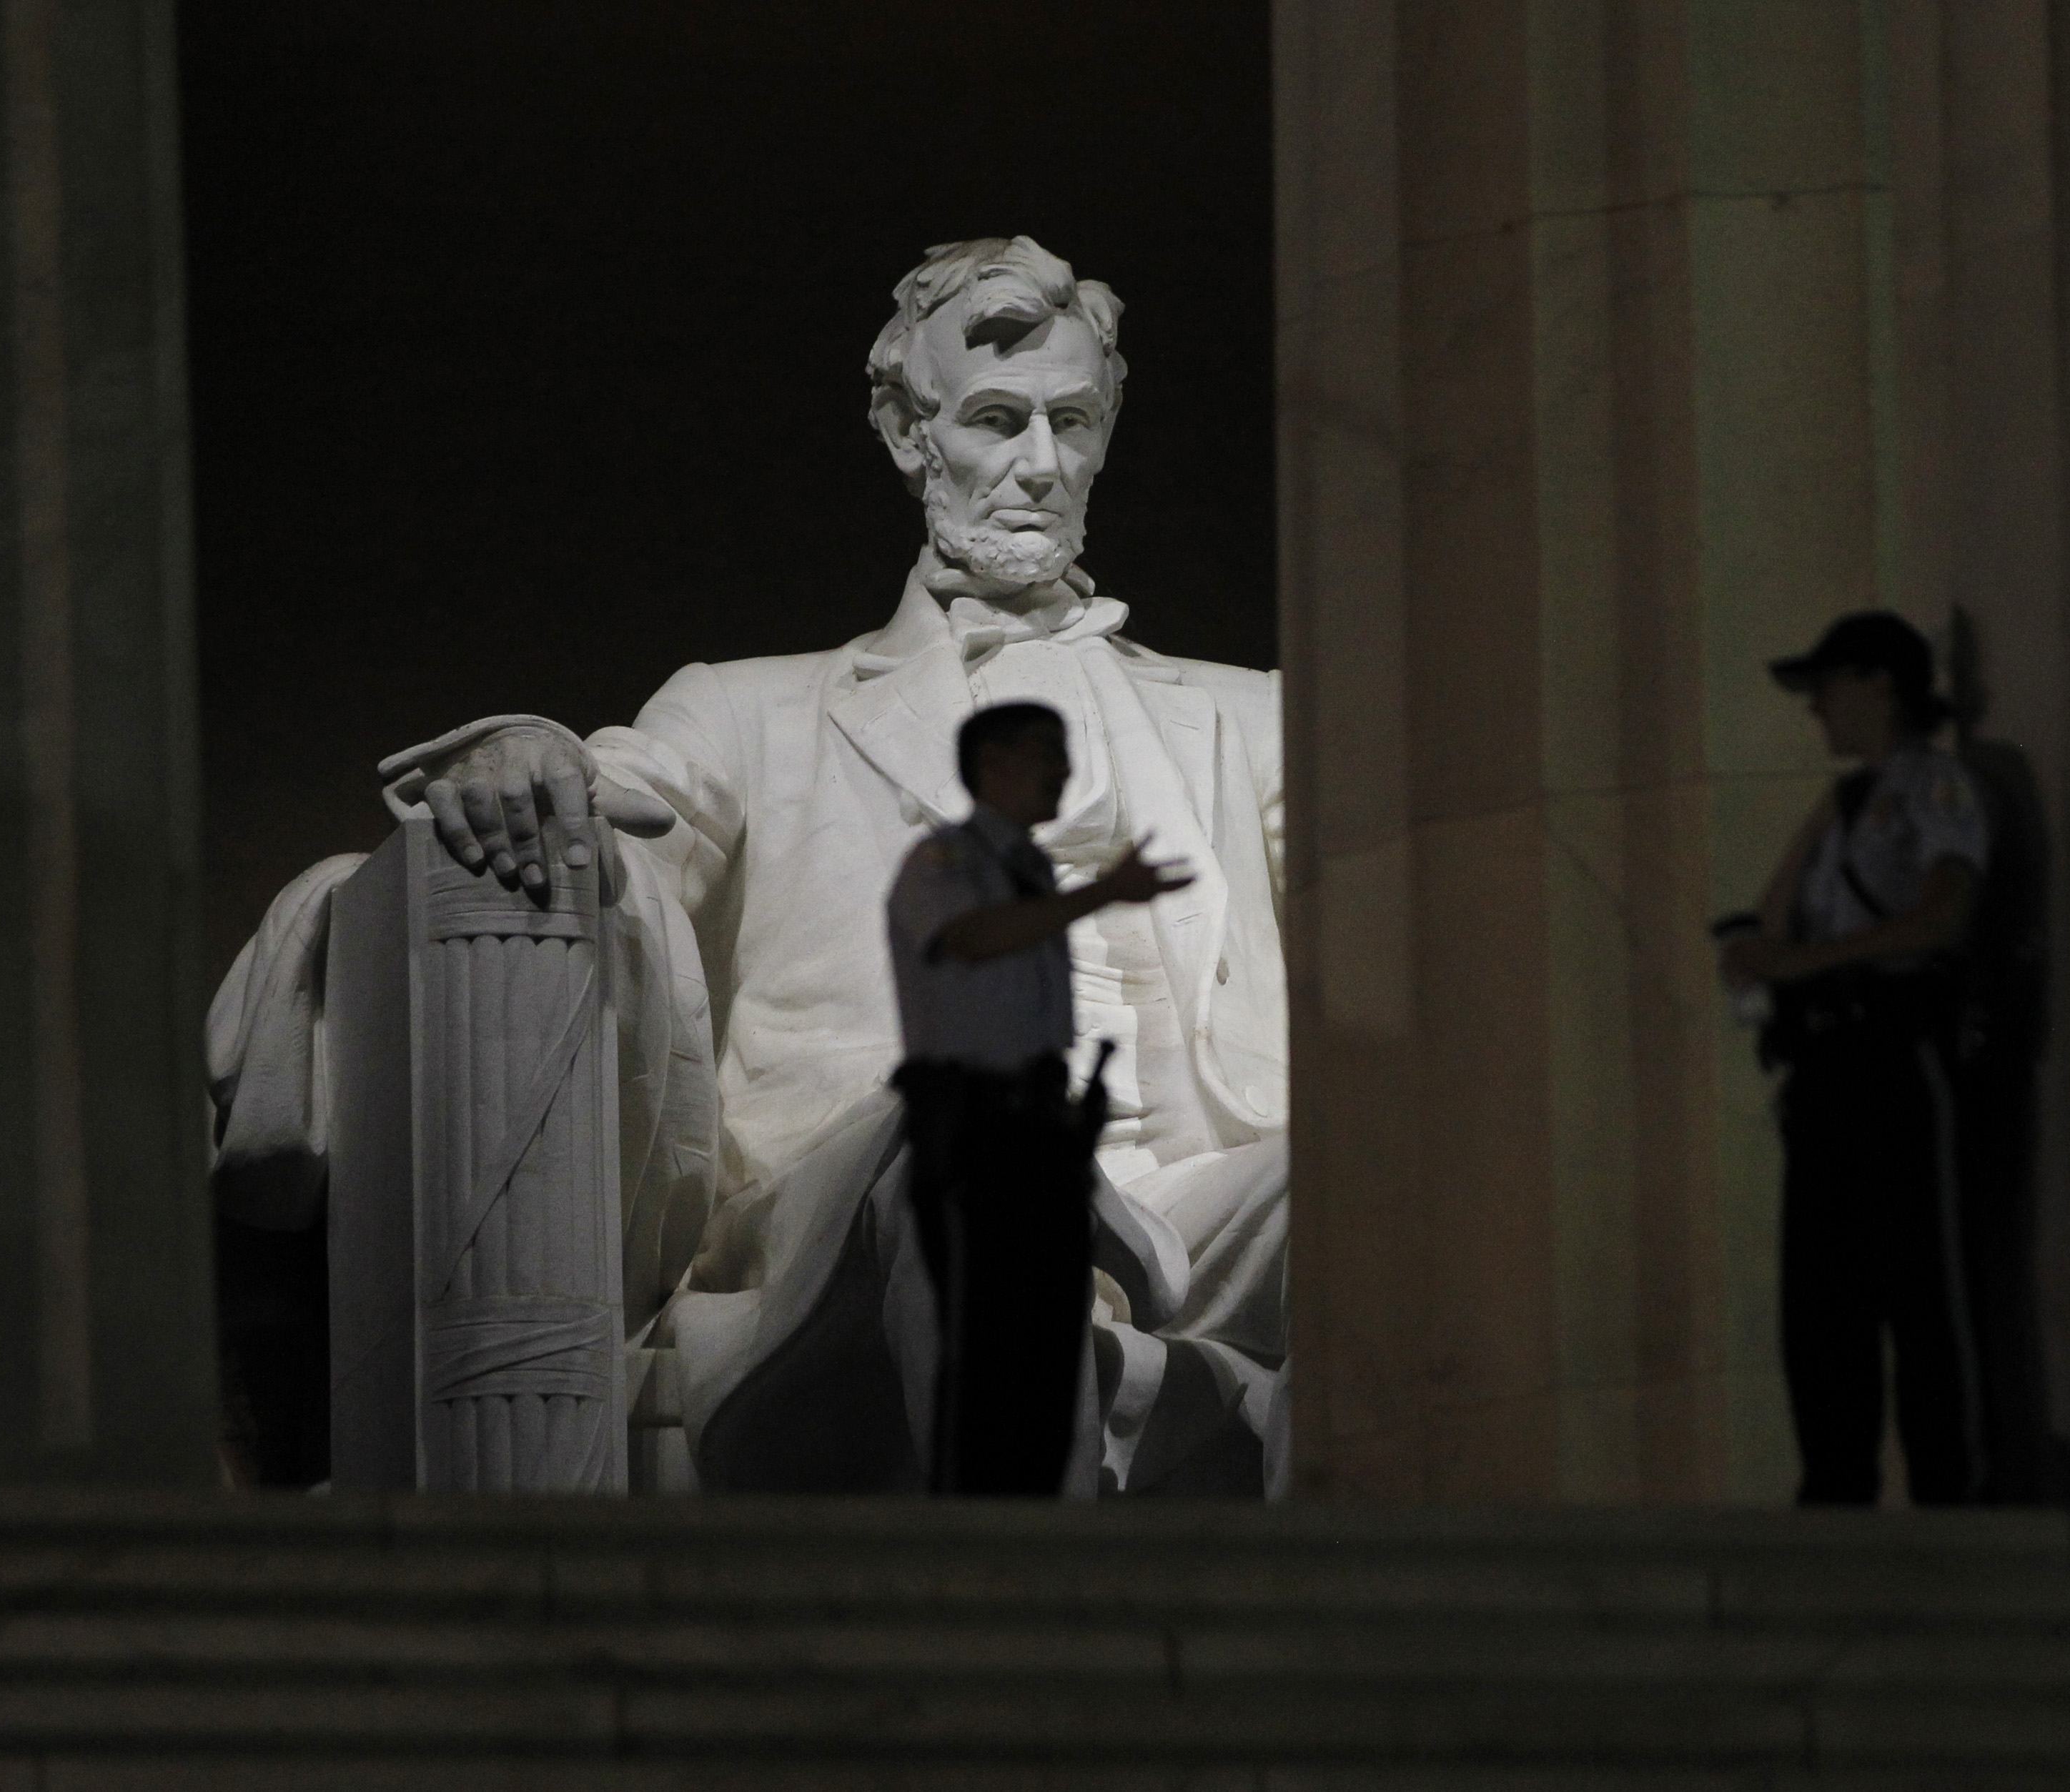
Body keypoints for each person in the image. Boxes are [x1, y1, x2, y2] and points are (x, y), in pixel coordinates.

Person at [207, 235, 1291, 1496]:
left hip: (1199, 1193)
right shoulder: (747, 713)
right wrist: (522, 753)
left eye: (1073, 422)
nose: (1041, 467)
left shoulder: (1253, 721)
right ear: (907, 431)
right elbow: (616, 811)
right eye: (999, 420)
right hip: (860, 1204)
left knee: (1362, 1186)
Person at [884, 702, 1193, 1492]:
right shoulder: (942, 862)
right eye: (1046, 753)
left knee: (1050, 1340)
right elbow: (970, 939)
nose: (1063, 770)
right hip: (972, 1123)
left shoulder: (1028, 868)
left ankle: (1033, 1515)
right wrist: (1102, 894)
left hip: (1042, 1124)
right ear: (993, 763)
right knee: (983, 1341)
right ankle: (978, 1523)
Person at [1717, 610, 1989, 1505]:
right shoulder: (1838, 807)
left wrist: (1801, 961)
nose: (1815, 712)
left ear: (1880, 685)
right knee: (1821, 1303)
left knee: (1915, 1290)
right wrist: (1765, 960)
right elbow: (1765, 926)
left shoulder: (1932, 785)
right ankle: (1834, 1487)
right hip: (1828, 1070)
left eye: (1826, 688)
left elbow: (1945, 912)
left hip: (1891, 1055)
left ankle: (1947, 1489)